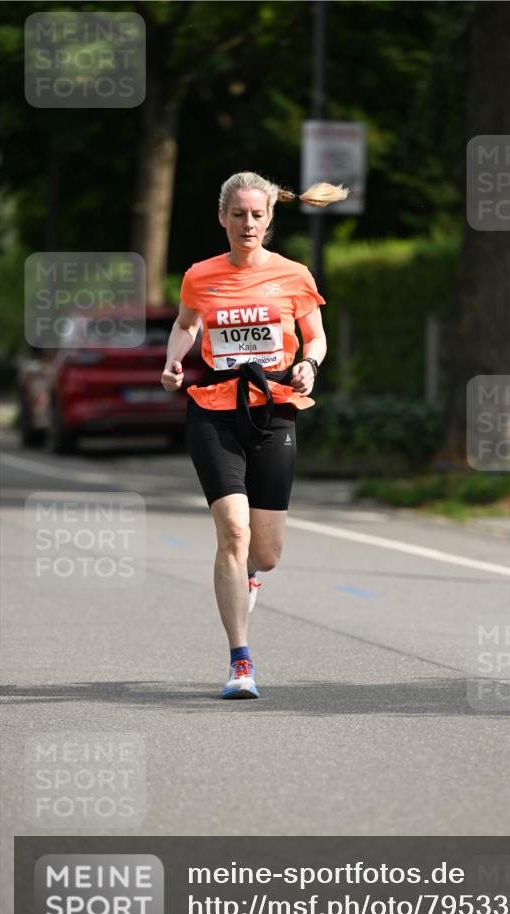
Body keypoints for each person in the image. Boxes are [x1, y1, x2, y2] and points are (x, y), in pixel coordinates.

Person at [161, 171, 348, 700]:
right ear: (223, 217)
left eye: (257, 215)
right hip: (213, 411)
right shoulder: (200, 275)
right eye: (238, 214)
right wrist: (174, 359)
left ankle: (251, 580)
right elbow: (186, 323)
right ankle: (241, 663)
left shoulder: (294, 275)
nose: (248, 224)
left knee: (264, 554)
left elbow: (315, 336)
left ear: (270, 219)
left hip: (274, 410)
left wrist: (309, 362)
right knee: (234, 535)